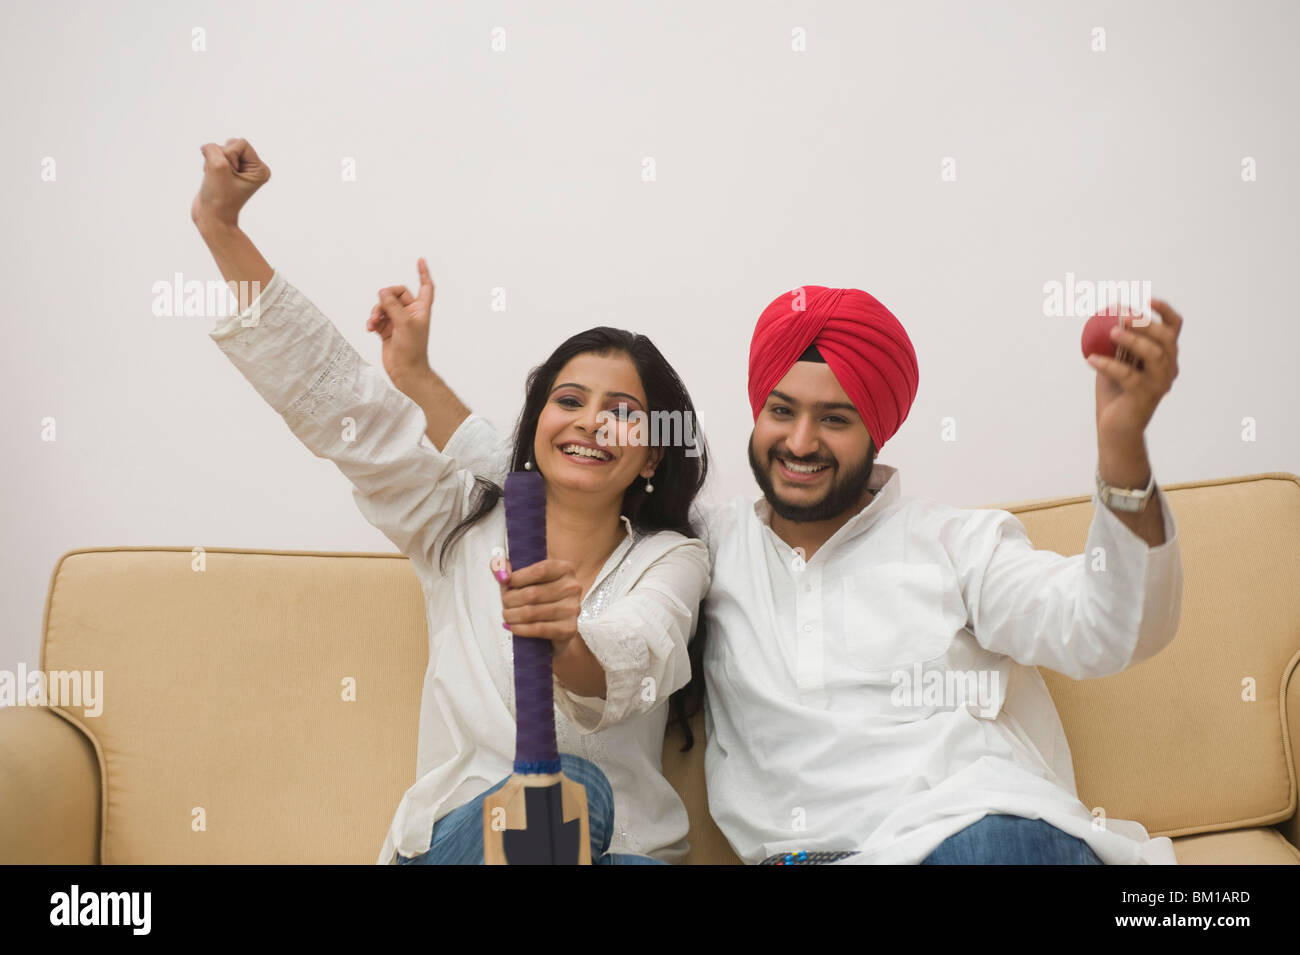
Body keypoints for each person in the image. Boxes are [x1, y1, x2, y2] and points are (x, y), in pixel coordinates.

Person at [425, 281, 1188, 865]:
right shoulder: (699, 550)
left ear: (875, 428)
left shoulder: (958, 541)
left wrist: (1122, 451)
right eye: (782, 410)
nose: (800, 440)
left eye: (835, 417)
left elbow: (1105, 628)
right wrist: (415, 375)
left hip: (970, 835)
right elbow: (558, 462)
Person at [191, 137, 712, 864]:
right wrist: (222, 227)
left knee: (591, 810)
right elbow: (346, 407)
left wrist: (569, 639)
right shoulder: (455, 524)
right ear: (539, 426)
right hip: (468, 839)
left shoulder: (674, 558)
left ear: (652, 451)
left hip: (624, 850)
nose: (592, 421)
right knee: (569, 790)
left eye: (620, 410)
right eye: (570, 400)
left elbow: (645, 647)